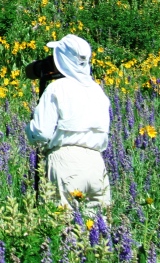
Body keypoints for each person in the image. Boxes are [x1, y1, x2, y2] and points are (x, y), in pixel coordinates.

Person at [25, 33, 112, 212]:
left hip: (66, 162)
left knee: (63, 229)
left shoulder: (57, 88)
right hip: (97, 165)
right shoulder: (98, 91)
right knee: (98, 229)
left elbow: (41, 133)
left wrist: (30, 129)